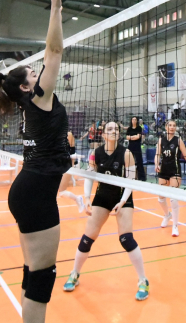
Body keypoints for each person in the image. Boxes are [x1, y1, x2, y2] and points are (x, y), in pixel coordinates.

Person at [0, 0, 69, 322]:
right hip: (35, 194)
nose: (39, 72)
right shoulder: (39, 100)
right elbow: (54, 51)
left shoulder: (31, 107)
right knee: (41, 279)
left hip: (29, 190)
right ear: (29, 86)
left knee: (33, 272)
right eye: (34, 72)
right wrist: (56, 10)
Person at [62, 122, 149, 301]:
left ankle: (143, 280)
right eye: (110, 129)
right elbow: (90, 176)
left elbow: (131, 181)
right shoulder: (96, 153)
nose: (114, 131)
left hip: (123, 196)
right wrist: (87, 198)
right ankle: (74, 273)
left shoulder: (126, 153)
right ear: (103, 134)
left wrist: (122, 202)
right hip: (102, 197)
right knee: (87, 238)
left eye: (116, 129)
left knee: (126, 239)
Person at [155, 120, 186, 237]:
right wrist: (156, 164)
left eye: (174, 126)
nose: (172, 127)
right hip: (163, 170)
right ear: (166, 127)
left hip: (175, 171)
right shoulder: (161, 140)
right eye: (170, 125)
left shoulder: (178, 140)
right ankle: (167, 215)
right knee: (161, 198)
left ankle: (175, 226)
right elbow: (157, 155)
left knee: (173, 199)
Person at [57, 131, 84, 212]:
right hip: (54, 164)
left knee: (62, 192)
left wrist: (71, 166)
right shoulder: (51, 134)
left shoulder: (68, 134)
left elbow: (72, 151)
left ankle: (78, 199)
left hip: (66, 163)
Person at [125, 116, 146, 181]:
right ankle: (127, 176)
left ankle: (141, 177)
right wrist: (133, 137)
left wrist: (131, 137)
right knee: (128, 161)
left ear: (137, 121)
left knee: (139, 162)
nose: (134, 121)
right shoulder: (129, 128)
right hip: (130, 146)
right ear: (131, 121)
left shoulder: (139, 128)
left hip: (137, 146)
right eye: (133, 120)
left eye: (135, 120)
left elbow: (138, 137)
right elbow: (127, 137)